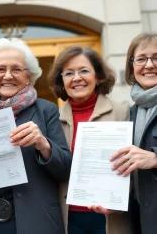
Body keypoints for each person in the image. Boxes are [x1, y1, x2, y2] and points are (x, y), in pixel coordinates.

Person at [0, 38, 72, 234]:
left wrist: (43, 145)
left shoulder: (46, 110)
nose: (7, 76)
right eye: (0, 69)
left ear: (28, 76)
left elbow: (66, 168)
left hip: (36, 219)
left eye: (16, 69)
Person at [47, 46, 130, 234]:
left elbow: (133, 167)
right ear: (62, 81)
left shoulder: (122, 112)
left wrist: (118, 199)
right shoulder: (53, 119)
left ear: (99, 76)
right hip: (68, 217)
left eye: (84, 71)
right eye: (69, 73)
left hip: (109, 217)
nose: (77, 78)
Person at [110, 33, 157, 234]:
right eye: (141, 59)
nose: (149, 65)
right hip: (141, 220)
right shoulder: (130, 112)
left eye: (156, 57)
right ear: (131, 66)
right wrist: (111, 200)